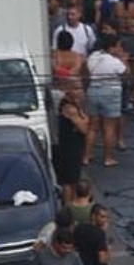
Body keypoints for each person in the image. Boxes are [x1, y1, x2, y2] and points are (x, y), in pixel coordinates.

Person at [85, 34, 128, 167]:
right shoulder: (114, 62)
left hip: (93, 91)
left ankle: (86, 156)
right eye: (118, 46)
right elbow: (126, 73)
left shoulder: (93, 57)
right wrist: (124, 60)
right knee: (109, 127)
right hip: (111, 92)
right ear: (111, 48)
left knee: (92, 126)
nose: (120, 49)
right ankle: (108, 158)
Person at [55, 76, 89, 204]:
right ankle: (68, 205)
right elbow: (84, 129)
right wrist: (85, 120)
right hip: (70, 148)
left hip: (73, 146)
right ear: (67, 90)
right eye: (76, 89)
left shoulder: (74, 105)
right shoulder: (70, 108)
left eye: (81, 88)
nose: (80, 92)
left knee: (72, 180)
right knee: (70, 181)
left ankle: (71, 204)